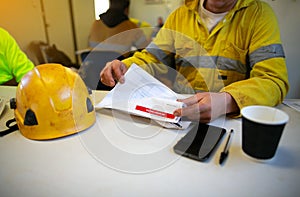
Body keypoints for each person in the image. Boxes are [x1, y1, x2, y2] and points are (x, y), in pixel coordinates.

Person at [100, 0, 289, 123]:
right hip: (179, 117)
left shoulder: (259, 15)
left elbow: (273, 80)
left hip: (230, 123)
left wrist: (227, 101)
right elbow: (152, 58)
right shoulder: (179, 16)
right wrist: (126, 67)